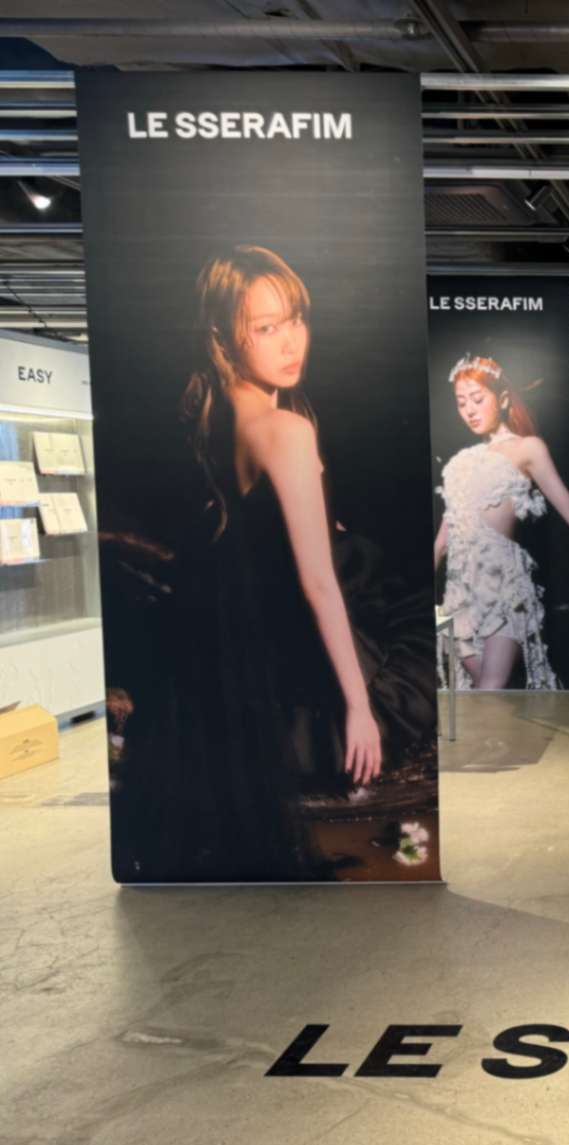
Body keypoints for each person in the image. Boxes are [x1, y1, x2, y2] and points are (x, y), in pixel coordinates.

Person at [118, 244, 436, 882]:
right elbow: (317, 584)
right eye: (265, 328)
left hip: (238, 649)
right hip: (292, 647)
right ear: (222, 337)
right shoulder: (285, 430)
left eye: (296, 319)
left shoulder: (215, 419)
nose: (292, 342)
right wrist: (357, 707)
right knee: (410, 646)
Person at [436, 354, 569, 689]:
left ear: (501, 399)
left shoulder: (528, 448)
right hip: (461, 592)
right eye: (461, 403)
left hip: (505, 586)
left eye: (477, 399)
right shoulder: (460, 463)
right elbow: (442, 541)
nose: (469, 410)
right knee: (481, 695)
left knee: (491, 688)